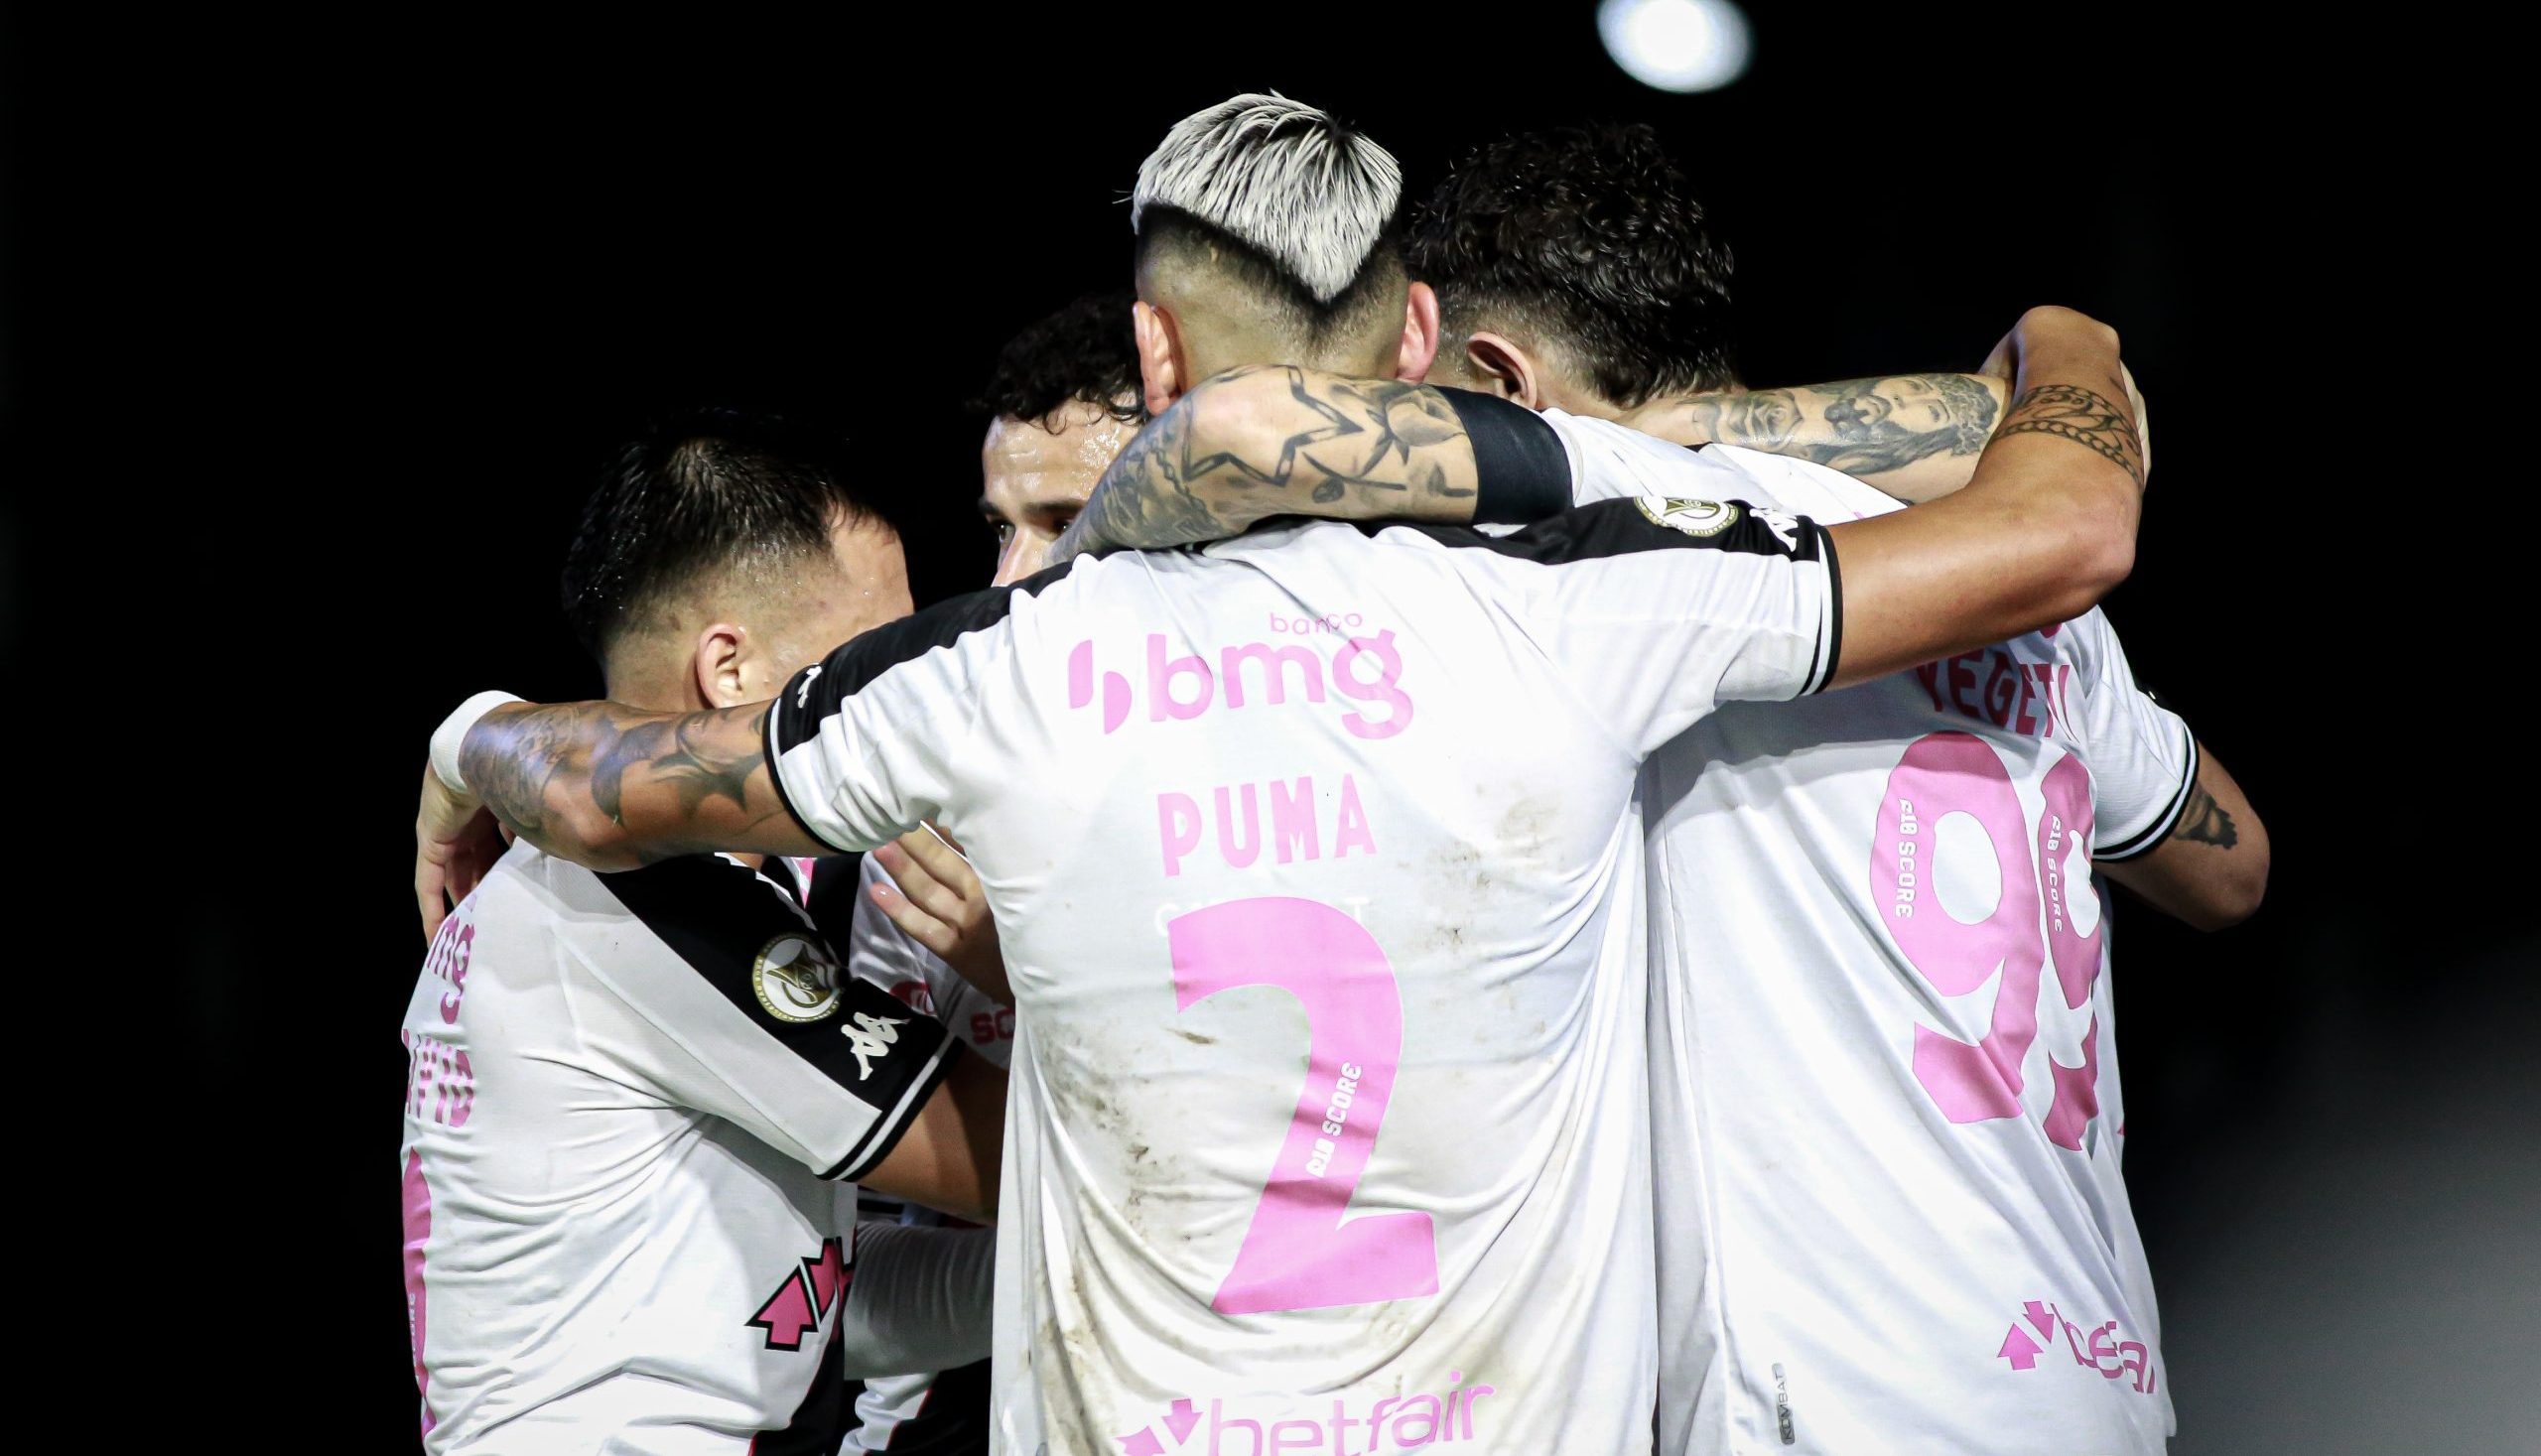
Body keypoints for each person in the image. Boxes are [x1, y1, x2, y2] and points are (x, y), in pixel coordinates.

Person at [413, 100, 2147, 1456]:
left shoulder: (982, 675)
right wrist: (2062, 334)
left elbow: (600, 792)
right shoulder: (1598, 592)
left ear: (1152, 361)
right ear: (1419, 333)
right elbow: (2062, 525)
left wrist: (471, 731)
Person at [1068, 121, 2266, 1454]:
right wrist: (2067, 337)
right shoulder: (2004, 588)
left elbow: (1245, 432)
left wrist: (1054, 597)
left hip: (1841, 1394)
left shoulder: (1605, 536)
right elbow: (2230, 865)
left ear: (1495, 377)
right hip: (2095, 1373)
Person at [401, 409, 1006, 1455]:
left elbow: (805, 1306)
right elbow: (1019, 1158)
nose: (913, 701)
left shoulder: (593, 882)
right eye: (872, 665)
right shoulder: (648, 900)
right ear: (731, 674)